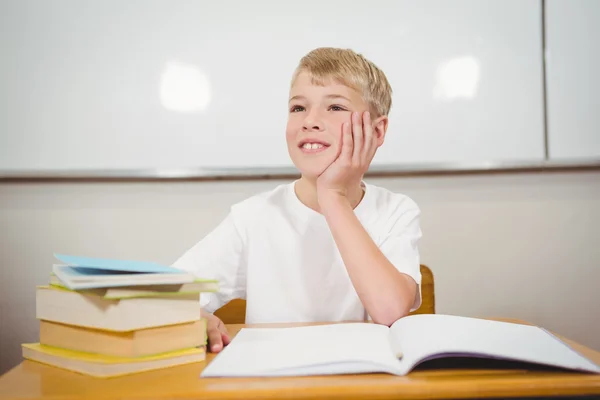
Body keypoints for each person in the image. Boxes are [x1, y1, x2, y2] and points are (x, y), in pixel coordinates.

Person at [172, 47, 423, 353]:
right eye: (298, 108)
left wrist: (333, 196)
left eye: (335, 108)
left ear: (377, 130)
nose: (311, 121)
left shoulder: (396, 211)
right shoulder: (254, 217)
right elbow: (166, 297)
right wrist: (195, 314)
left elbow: (389, 310)